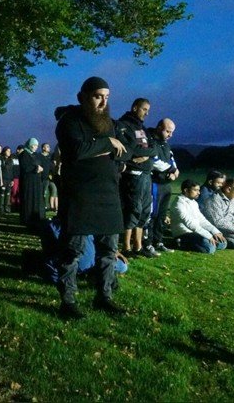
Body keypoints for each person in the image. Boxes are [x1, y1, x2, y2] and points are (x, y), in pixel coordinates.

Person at [55, 76, 129, 319]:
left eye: (106, 98)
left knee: (108, 249)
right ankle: (68, 300)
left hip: (108, 194)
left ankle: (104, 296)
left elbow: (122, 152)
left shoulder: (109, 123)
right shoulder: (70, 121)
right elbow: (78, 150)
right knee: (72, 250)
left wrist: (119, 157)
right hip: (80, 195)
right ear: (83, 97)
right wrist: (108, 142)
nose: (103, 102)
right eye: (98, 96)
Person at [116, 98, 158, 257]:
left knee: (144, 211)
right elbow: (130, 151)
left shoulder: (142, 128)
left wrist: (146, 155)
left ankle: (138, 246)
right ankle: (126, 246)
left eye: (148, 110)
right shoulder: (123, 125)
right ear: (135, 108)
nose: (147, 113)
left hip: (146, 175)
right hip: (133, 175)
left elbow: (153, 148)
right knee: (133, 210)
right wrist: (143, 153)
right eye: (144, 109)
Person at [146, 118, 179, 254]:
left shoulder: (166, 144)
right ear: (159, 127)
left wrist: (175, 171)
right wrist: (170, 170)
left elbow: (172, 159)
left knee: (162, 214)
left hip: (166, 185)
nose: (170, 135)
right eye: (168, 131)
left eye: (172, 132)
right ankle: (147, 243)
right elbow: (153, 160)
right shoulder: (149, 140)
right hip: (154, 183)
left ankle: (158, 241)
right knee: (152, 214)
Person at [171, 179, 227, 254]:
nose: (199, 193)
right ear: (186, 190)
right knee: (209, 248)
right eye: (195, 190)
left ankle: (206, 243)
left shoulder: (193, 202)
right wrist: (209, 236)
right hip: (184, 234)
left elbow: (202, 220)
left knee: (222, 243)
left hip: (196, 232)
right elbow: (190, 224)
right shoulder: (178, 204)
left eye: (199, 190)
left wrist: (215, 231)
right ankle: (180, 243)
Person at [18, 138, 44, 229]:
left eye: (37, 145)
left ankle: (36, 218)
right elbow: (25, 167)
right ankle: (27, 219)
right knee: (28, 199)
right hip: (28, 181)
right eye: (34, 145)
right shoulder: (24, 154)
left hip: (36, 181)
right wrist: (35, 168)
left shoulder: (35, 155)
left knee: (36, 199)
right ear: (30, 145)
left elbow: (39, 163)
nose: (35, 147)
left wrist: (40, 168)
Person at [0, 147, 14, 214]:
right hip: (3, 179)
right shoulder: (1, 159)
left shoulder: (11, 160)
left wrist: (12, 180)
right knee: (2, 193)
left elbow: (12, 170)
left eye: (10, 151)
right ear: (4, 151)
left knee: (8, 194)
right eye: (8, 151)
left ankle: (6, 207)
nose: (9, 152)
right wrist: (1, 180)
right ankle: (0, 208)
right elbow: (0, 170)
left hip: (9, 179)